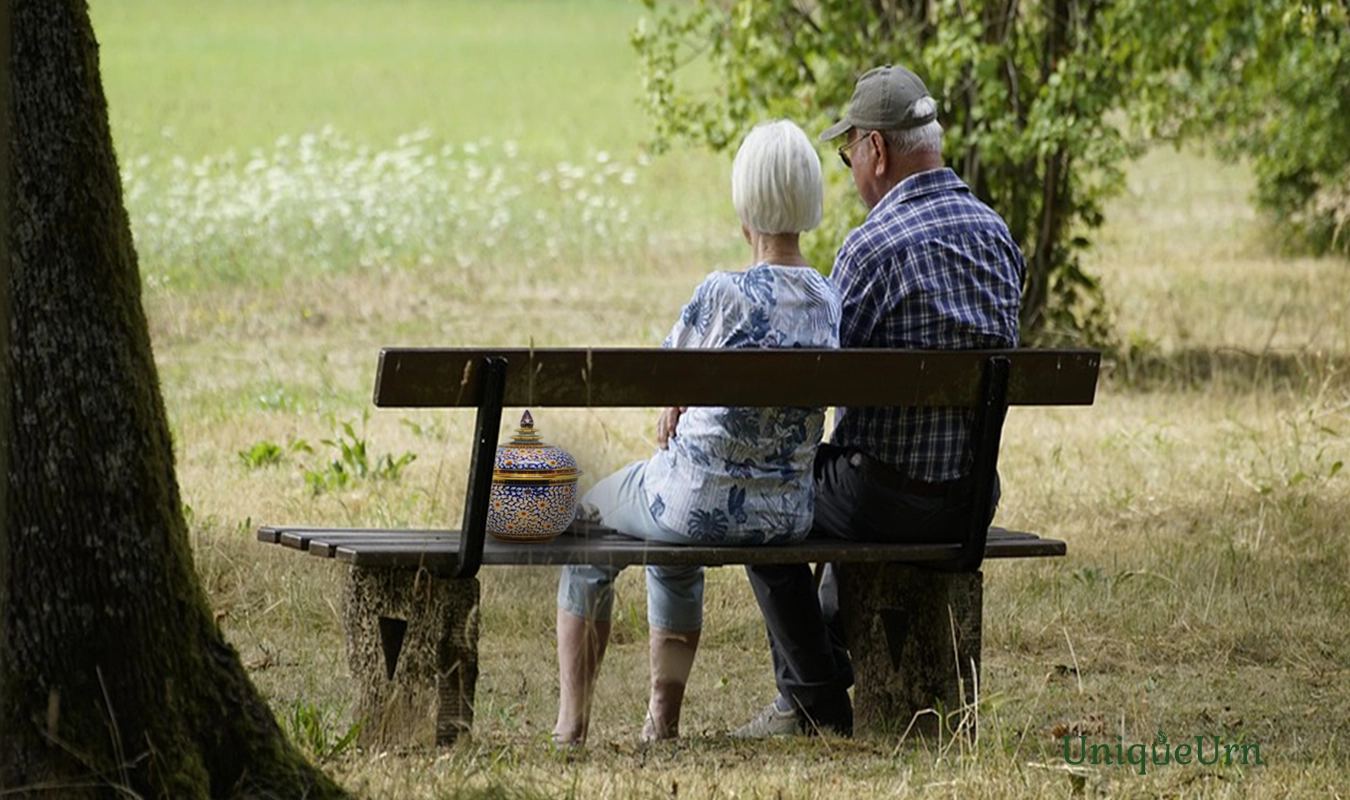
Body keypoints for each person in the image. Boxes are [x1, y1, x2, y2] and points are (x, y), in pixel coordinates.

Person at [735, 65, 1026, 738]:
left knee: (759, 495)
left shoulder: (871, 248)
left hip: (883, 501)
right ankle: (825, 669)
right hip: (970, 500)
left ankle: (813, 699)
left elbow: (820, 385)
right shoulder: (997, 236)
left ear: (876, 149)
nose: (851, 172)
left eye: (849, 156)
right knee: (850, 470)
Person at [552, 119, 842, 746]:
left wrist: (676, 403)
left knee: (588, 530)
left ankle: (571, 726)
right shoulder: (828, 299)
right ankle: (662, 721)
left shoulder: (721, 294)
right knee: (670, 544)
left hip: (693, 505)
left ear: (745, 206)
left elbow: (666, 374)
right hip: (785, 515)